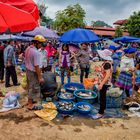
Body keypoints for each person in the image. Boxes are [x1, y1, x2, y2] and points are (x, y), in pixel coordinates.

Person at [25, 35, 46, 110]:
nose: (41, 46)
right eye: (41, 43)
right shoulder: (36, 52)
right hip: (33, 72)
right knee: (33, 87)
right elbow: (37, 66)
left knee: (30, 86)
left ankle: (30, 101)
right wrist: (40, 77)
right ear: (36, 43)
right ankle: (30, 104)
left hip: (28, 70)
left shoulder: (28, 48)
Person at [92, 49, 113, 119]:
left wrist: (101, 84)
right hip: (102, 82)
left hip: (104, 83)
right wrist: (98, 70)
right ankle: (102, 110)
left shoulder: (107, 64)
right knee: (102, 97)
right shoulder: (105, 63)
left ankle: (100, 113)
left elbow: (107, 75)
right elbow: (103, 72)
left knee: (102, 98)